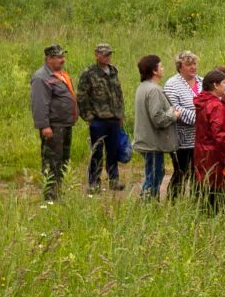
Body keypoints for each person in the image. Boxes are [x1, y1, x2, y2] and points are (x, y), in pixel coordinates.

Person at [29, 43, 78, 204]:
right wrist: (44, 126)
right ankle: (50, 194)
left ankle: (58, 190)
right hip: (53, 126)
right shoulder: (41, 77)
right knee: (51, 160)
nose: (62, 60)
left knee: (63, 159)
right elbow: (39, 103)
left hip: (65, 124)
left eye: (63, 56)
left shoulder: (61, 74)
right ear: (49, 59)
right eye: (59, 57)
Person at [77, 42, 125, 195]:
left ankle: (114, 179)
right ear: (97, 55)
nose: (107, 57)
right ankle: (94, 182)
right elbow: (82, 96)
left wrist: (120, 114)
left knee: (113, 151)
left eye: (109, 54)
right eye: (104, 54)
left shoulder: (113, 71)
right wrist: (88, 117)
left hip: (114, 118)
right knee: (97, 151)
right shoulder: (89, 73)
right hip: (98, 119)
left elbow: (118, 94)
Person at [133, 54, 182, 200]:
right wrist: (174, 114)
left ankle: (149, 203)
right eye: (160, 66)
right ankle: (148, 204)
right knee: (154, 176)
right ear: (154, 71)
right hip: (152, 143)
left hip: (146, 140)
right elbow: (158, 118)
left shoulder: (142, 87)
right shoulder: (154, 90)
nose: (163, 68)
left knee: (154, 173)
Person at [193, 69, 225, 214]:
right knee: (218, 198)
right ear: (215, 85)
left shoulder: (205, 101)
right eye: (224, 83)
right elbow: (221, 136)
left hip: (203, 155)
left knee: (206, 195)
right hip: (216, 159)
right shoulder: (215, 106)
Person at [164, 50, 200, 200]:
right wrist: (201, 118)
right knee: (181, 171)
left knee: (198, 172)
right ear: (180, 66)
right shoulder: (172, 84)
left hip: (200, 138)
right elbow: (175, 108)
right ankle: (173, 201)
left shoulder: (203, 81)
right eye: (188, 64)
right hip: (181, 139)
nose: (193, 67)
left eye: (194, 63)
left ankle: (196, 201)